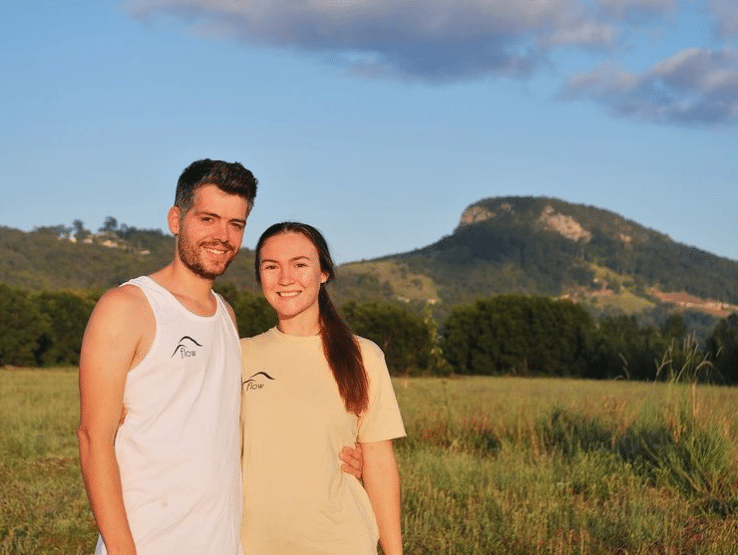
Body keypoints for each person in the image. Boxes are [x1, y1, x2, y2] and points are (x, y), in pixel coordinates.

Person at [77, 161, 361, 555]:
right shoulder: (128, 307)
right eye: (208, 218)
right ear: (176, 219)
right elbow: (93, 439)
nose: (222, 236)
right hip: (148, 541)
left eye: (236, 224)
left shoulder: (226, 315)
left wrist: (335, 456)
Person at [240, 222, 405, 555]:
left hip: (341, 542)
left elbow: (379, 465)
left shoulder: (364, 356)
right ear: (260, 277)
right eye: (271, 267)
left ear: (324, 272)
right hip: (250, 544)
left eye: (300, 264)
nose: (285, 278)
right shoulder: (238, 354)